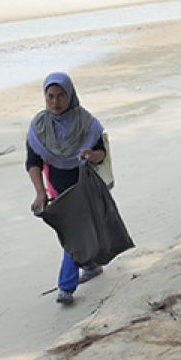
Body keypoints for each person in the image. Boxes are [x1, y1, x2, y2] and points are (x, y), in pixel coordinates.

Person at [26, 73, 108, 305]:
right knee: (74, 231)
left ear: (70, 95)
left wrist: (91, 155)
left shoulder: (86, 122)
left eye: (61, 96)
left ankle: (66, 287)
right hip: (56, 188)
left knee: (73, 233)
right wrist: (40, 192)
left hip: (84, 186)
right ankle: (92, 265)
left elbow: (102, 152)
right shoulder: (39, 126)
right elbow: (33, 162)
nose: (55, 102)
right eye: (50, 96)